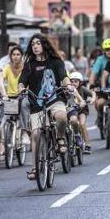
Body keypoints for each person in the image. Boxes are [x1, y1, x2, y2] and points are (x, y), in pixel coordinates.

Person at [18, 33, 73, 181]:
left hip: (55, 99)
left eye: (38, 43)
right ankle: (35, 168)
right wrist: (21, 88)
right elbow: (22, 80)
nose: (35, 46)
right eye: (33, 44)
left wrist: (68, 85)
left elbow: (63, 75)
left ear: (44, 45)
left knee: (61, 117)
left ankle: (60, 138)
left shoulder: (55, 61)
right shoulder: (29, 64)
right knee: (36, 134)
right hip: (37, 102)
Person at [0, 45, 30, 144]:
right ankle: (3, 144)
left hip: (23, 96)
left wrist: (25, 91)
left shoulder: (26, 67)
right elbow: (0, 80)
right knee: (3, 120)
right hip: (10, 97)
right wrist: (4, 94)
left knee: (24, 105)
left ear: (22, 56)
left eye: (18, 54)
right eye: (13, 54)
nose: (15, 56)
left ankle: (24, 132)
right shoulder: (7, 67)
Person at [89, 38, 110, 132]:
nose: (109, 51)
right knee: (99, 103)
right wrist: (92, 84)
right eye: (107, 49)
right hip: (103, 87)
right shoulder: (100, 59)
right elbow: (93, 73)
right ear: (104, 51)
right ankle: (100, 117)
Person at [70, 71, 96, 154]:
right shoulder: (68, 90)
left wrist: (92, 100)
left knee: (82, 124)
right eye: (72, 81)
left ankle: (87, 145)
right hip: (70, 110)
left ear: (80, 83)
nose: (73, 83)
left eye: (76, 81)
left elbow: (93, 93)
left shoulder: (83, 89)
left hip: (82, 110)